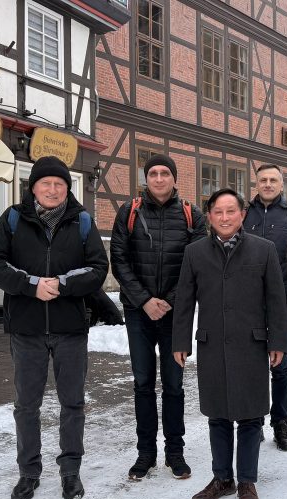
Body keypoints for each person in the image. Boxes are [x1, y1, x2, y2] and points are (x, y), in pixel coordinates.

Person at [0, 155, 108, 499]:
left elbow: (98, 268)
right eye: (45, 183)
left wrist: (62, 284)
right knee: (27, 405)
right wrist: (32, 285)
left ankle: (70, 471)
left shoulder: (82, 221)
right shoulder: (13, 219)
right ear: (33, 187)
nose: (52, 189)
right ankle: (28, 472)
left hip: (70, 328)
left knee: (72, 403)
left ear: (67, 188)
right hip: (27, 328)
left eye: (59, 184)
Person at [172, 188, 287, 499]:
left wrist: (278, 341)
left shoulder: (263, 250)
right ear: (209, 216)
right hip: (211, 344)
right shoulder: (195, 253)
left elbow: (276, 300)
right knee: (218, 415)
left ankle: (247, 481)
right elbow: (184, 301)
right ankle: (222, 478)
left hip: (251, 344)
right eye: (218, 212)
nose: (225, 218)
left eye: (231, 211)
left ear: (242, 215)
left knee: (250, 416)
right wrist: (180, 341)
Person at [110, 153, 207, 481]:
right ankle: (145, 453)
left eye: (166, 173)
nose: (160, 178)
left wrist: (168, 301)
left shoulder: (192, 215)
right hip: (138, 313)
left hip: (175, 314)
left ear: (174, 178)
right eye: (153, 173)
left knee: (174, 384)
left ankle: (175, 452)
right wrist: (145, 300)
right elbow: (119, 260)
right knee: (143, 383)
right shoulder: (129, 211)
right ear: (146, 178)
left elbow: (196, 265)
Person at [243, 164, 287, 451]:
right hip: (248, 304)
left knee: (281, 366)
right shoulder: (244, 213)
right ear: (256, 183)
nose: (268, 184)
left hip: (283, 303)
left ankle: (280, 422)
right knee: (251, 366)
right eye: (263, 180)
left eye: (273, 180)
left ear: (282, 184)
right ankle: (253, 421)